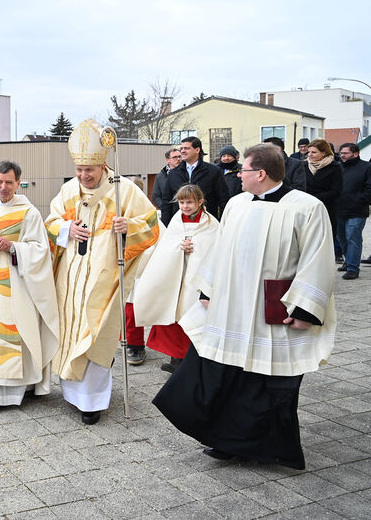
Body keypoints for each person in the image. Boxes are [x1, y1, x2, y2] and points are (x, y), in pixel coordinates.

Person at [153, 144, 337, 469]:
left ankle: (266, 447)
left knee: (268, 380)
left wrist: (306, 309)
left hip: (275, 307)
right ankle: (226, 440)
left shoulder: (307, 207)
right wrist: (208, 289)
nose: (238, 176)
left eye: (244, 171)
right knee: (227, 372)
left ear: (261, 174)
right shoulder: (236, 204)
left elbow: (318, 259)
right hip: (234, 307)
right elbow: (221, 249)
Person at [45, 119, 160, 424]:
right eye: (79, 170)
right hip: (70, 278)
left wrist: (127, 227)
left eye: (89, 170)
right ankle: (72, 394)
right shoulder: (68, 190)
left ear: (103, 165)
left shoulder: (124, 190)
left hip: (105, 277)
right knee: (71, 330)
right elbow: (51, 223)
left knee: (96, 334)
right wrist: (67, 229)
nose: (84, 176)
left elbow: (151, 225)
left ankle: (93, 401)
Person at [0, 160, 59, 417]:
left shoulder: (29, 213)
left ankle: (23, 389)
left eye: (8, 182)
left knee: (21, 334)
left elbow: (41, 250)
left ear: (18, 183)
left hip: (20, 286)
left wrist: (13, 247)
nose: (3, 187)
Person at [132, 185, 219, 373]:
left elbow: (214, 249)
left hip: (195, 280)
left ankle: (191, 363)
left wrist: (194, 247)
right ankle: (175, 360)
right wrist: (179, 247)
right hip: (175, 277)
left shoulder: (211, 224)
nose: (185, 206)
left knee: (191, 317)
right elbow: (166, 245)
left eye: (189, 202)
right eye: (181, 202)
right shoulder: (176, 221)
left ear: (200, 202)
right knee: (173, 317)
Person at [162, 136, 229, 226]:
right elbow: (166, 202)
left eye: (186, 148)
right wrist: (166, 226)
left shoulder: (214, 171)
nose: (182, 151)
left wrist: (222, 224)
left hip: (206, 224)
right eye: (181, 148)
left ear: (197, 150)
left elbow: (223, 200)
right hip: (180, 225)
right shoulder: (173, 173)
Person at [303, 139, 343, 269]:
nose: (310, 155)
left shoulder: (335, 168)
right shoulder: (303, 166)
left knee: (324, 243)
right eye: (309, 152)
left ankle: (323, 270)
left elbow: (336, 191)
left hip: (327, 210)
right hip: (306, 210)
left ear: (324, 153)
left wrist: (313, 198)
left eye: (314, 152)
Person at [338, 143, 371, 279]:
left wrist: (360, 200)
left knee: (352, 237)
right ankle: (349, 261)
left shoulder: (367, 167)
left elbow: (369, 188)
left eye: (346, 153)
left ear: (356, 153)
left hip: (357, 210)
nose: (342, 155)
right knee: (341, 239)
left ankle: (352, 268)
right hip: (338, 210)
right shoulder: (337, 167)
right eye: (341, 153)